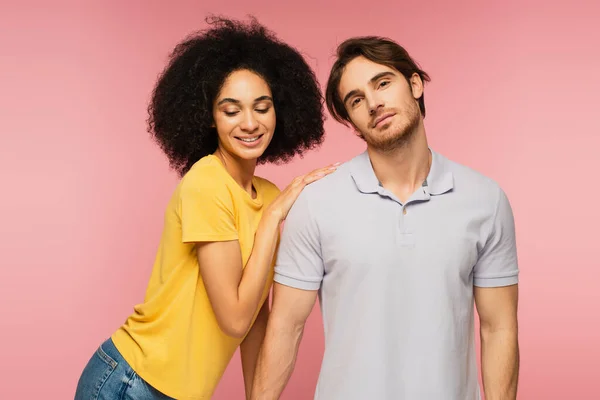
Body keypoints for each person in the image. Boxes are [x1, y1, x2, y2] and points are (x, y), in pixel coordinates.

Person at [74, 16, 336, 400]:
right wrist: (273, 219)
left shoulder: (266, 193)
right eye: (231, 111)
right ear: (209, 118)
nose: (249, 123)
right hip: (131, 381)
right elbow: (233, 318)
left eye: (261, 108)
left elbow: (255, 317)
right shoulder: (206, 183)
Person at [251, 36, 519, 400]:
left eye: (382, 83)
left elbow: (498, 328)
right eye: (357, 100)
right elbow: (286, 326)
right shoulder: (316, 202)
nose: (374, 103)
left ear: (414, 84)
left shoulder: (485, 200)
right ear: (353, 123)